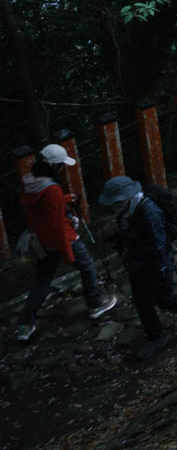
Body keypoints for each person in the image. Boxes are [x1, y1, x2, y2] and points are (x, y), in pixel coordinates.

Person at [98, 175, 177, 360]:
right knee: (142, 303)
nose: (113, 207)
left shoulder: (149, 210)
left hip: (156, 264)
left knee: (165, 300)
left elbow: (160, 242)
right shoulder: (125, 211)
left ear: (125, 198)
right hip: (137, 264)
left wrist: (162, 268)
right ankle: (156, 338)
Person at [14, 144, 116, 341]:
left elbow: (44, 209)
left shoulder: (30, 183)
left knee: (42, 281)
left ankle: (25, 324)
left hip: (41, 241)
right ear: (54, 165)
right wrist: (68, 252)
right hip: (64, 239)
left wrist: (65, 198)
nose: (62, 168)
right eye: (61, 165)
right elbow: (57, 224)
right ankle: (95, 305)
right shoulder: (51, 189)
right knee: (87, 267)